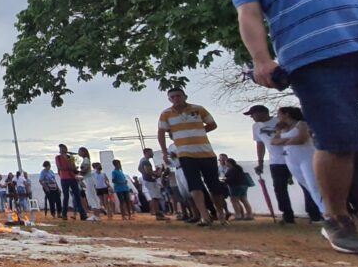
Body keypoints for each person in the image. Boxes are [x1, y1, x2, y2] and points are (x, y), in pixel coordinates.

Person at [232, 0, 358, 254]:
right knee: (337, 141)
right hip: (313, 62)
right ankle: (338, 220)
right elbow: (249, 17)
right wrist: (262, 60)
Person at [158, 88, 228, 226]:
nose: (176, 99)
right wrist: (164, 152)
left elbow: (212, 124)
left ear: (185, 96)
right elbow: (161, 132)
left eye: (178, 96)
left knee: (214, 185)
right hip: (185, 154)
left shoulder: (198, 109)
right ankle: (204, 215)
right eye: (172, 97)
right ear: (169, 99)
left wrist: (199, 131)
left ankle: (220, 213)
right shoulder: (166, 114)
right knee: (194, 186)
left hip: (205, 152)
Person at [245, 105, 323, 224]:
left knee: (306, 184)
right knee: (279, 188)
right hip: (276, 161)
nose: (251, 117)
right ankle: (287, 215)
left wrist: (284, 140)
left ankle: (314, 214)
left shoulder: (280, 121)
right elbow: (260, 144)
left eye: (253, 114)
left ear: (263, 113)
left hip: (295, 157)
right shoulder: (256, 127)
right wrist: (260, 162)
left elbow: (299, 135)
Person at [55, 144, 87, 220]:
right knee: (66, 196)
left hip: (72, 177)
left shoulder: (70, 157)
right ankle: (64, 214)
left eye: (64, 148)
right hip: (64, 178)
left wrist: (71, 167)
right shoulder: (58, 158)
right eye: (61, 149)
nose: (62, 150)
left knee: (77, 196)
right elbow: (60, 167)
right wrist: (70, 167)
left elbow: (73, 167)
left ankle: (82, 214)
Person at [138, 148, 166, 220]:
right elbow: (148, 171)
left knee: (154, 197)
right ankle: (158, 214)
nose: (152, 154)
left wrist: (146, 173)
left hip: (147, 180)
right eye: (151, 152)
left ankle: (157, 213)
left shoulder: (142, 160)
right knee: (155, 197)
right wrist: (157, 174)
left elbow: (139, 169)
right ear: (147, 152)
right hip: (150, 181)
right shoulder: (146, 161)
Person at [77, 147, 102, 221]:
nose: (79, 153)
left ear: (83, 152)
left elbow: (86, 168)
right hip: (89, 178)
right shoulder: (86, 159)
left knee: (91, 196)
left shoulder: (86, 160)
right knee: (93, 196)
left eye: (80, 151)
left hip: (88, 179)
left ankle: (95, 215)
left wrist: (79, 172)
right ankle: (97, 215)